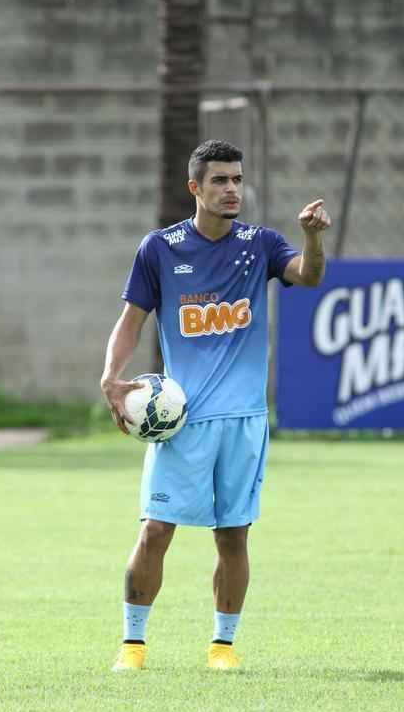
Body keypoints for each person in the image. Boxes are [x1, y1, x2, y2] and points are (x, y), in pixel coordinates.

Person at [101, 139, 331, 671]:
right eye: (220, 181)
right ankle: (132, 645)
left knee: (232, 535)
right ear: (195, 188)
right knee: (156, 529)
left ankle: (222, 647)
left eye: (237, 180)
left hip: (244, 421)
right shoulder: (159, 249)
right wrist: (111, 377)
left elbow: (310, 275)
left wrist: (312, 239)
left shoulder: (262, 244)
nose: (231, 190)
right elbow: (131, 320)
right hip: (182, 423)